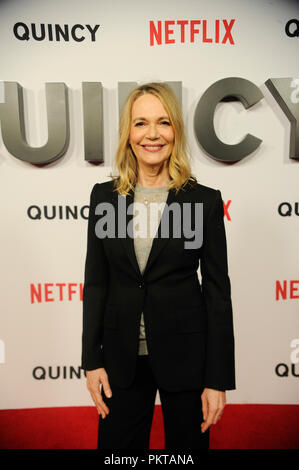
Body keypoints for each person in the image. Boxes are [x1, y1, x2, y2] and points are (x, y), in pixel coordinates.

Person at [81, 82, 235, 450]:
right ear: (128, 133)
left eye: (163, 122)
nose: (152, 134)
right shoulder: (106, 198)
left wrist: (217, 379)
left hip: (187, 359)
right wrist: (91, 360)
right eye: (140, 123)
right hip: (121, 358)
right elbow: (96, 282)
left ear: (176, 131)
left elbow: (217, 292)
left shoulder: (203, 202)